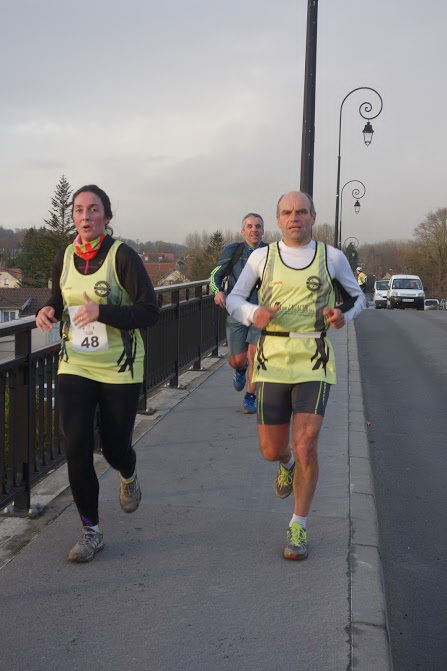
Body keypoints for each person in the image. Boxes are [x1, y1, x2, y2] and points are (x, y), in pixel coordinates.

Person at [227, 192, 365, 560]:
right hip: (272, 357)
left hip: (313, 358)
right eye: (287, 212)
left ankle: (298, 526)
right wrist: (252, 313)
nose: (295, 218)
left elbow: (357, 297)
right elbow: (233, 299)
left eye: (301, 212)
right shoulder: (262, 256)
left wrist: (342, 315)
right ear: (278, 219)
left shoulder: (330, 257)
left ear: (313, 216)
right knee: (273, 449)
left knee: (306, 444)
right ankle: (285, 464)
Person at [36, 185, 160, 563]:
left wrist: (102, 312)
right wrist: (47, 310)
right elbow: (59, 298)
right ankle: (91, 530)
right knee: (75, 444)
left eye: (94, 210)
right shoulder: (65, 255)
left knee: (113, 447)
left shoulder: (123, 257)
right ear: (72, 217)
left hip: (119, 367)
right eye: (78, 210)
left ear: (107, 217)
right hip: (75, 362)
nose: (85, 217)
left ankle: (128, 471)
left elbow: (149, 312)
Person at [210, 213, 267, 414]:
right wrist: (218, 292)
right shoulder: (234, 251)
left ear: (263, 230)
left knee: (255, 355)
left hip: (261, 311)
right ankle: (240, 370)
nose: (254, 230)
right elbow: (214, 276)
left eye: (258, 226)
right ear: (243, 231)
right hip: (237, 309)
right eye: (250, 226)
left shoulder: (271, 253)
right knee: (238, 360)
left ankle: (250, 396)